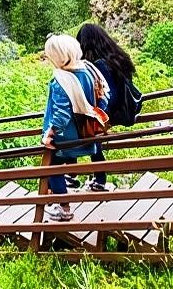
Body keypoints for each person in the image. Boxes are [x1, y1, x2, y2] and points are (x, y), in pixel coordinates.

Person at [40, 33, 110, 222]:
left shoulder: (60, 80)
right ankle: (64, 197)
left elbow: (61, 115)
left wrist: (50, 133)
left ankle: (64, 207)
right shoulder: (88, 71)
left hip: (68, 137)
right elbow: (105, 95)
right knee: (57, 166)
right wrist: (94, 117)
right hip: (86, 133)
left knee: (52, 167)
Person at [75, 22, 137, 193]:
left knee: (81, 128)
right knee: (89, 131)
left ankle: (72, 174)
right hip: (120, 110)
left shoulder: (99, 65)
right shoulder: (116, 58)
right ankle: (95, 178)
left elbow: (107, 95)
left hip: (110, 113)